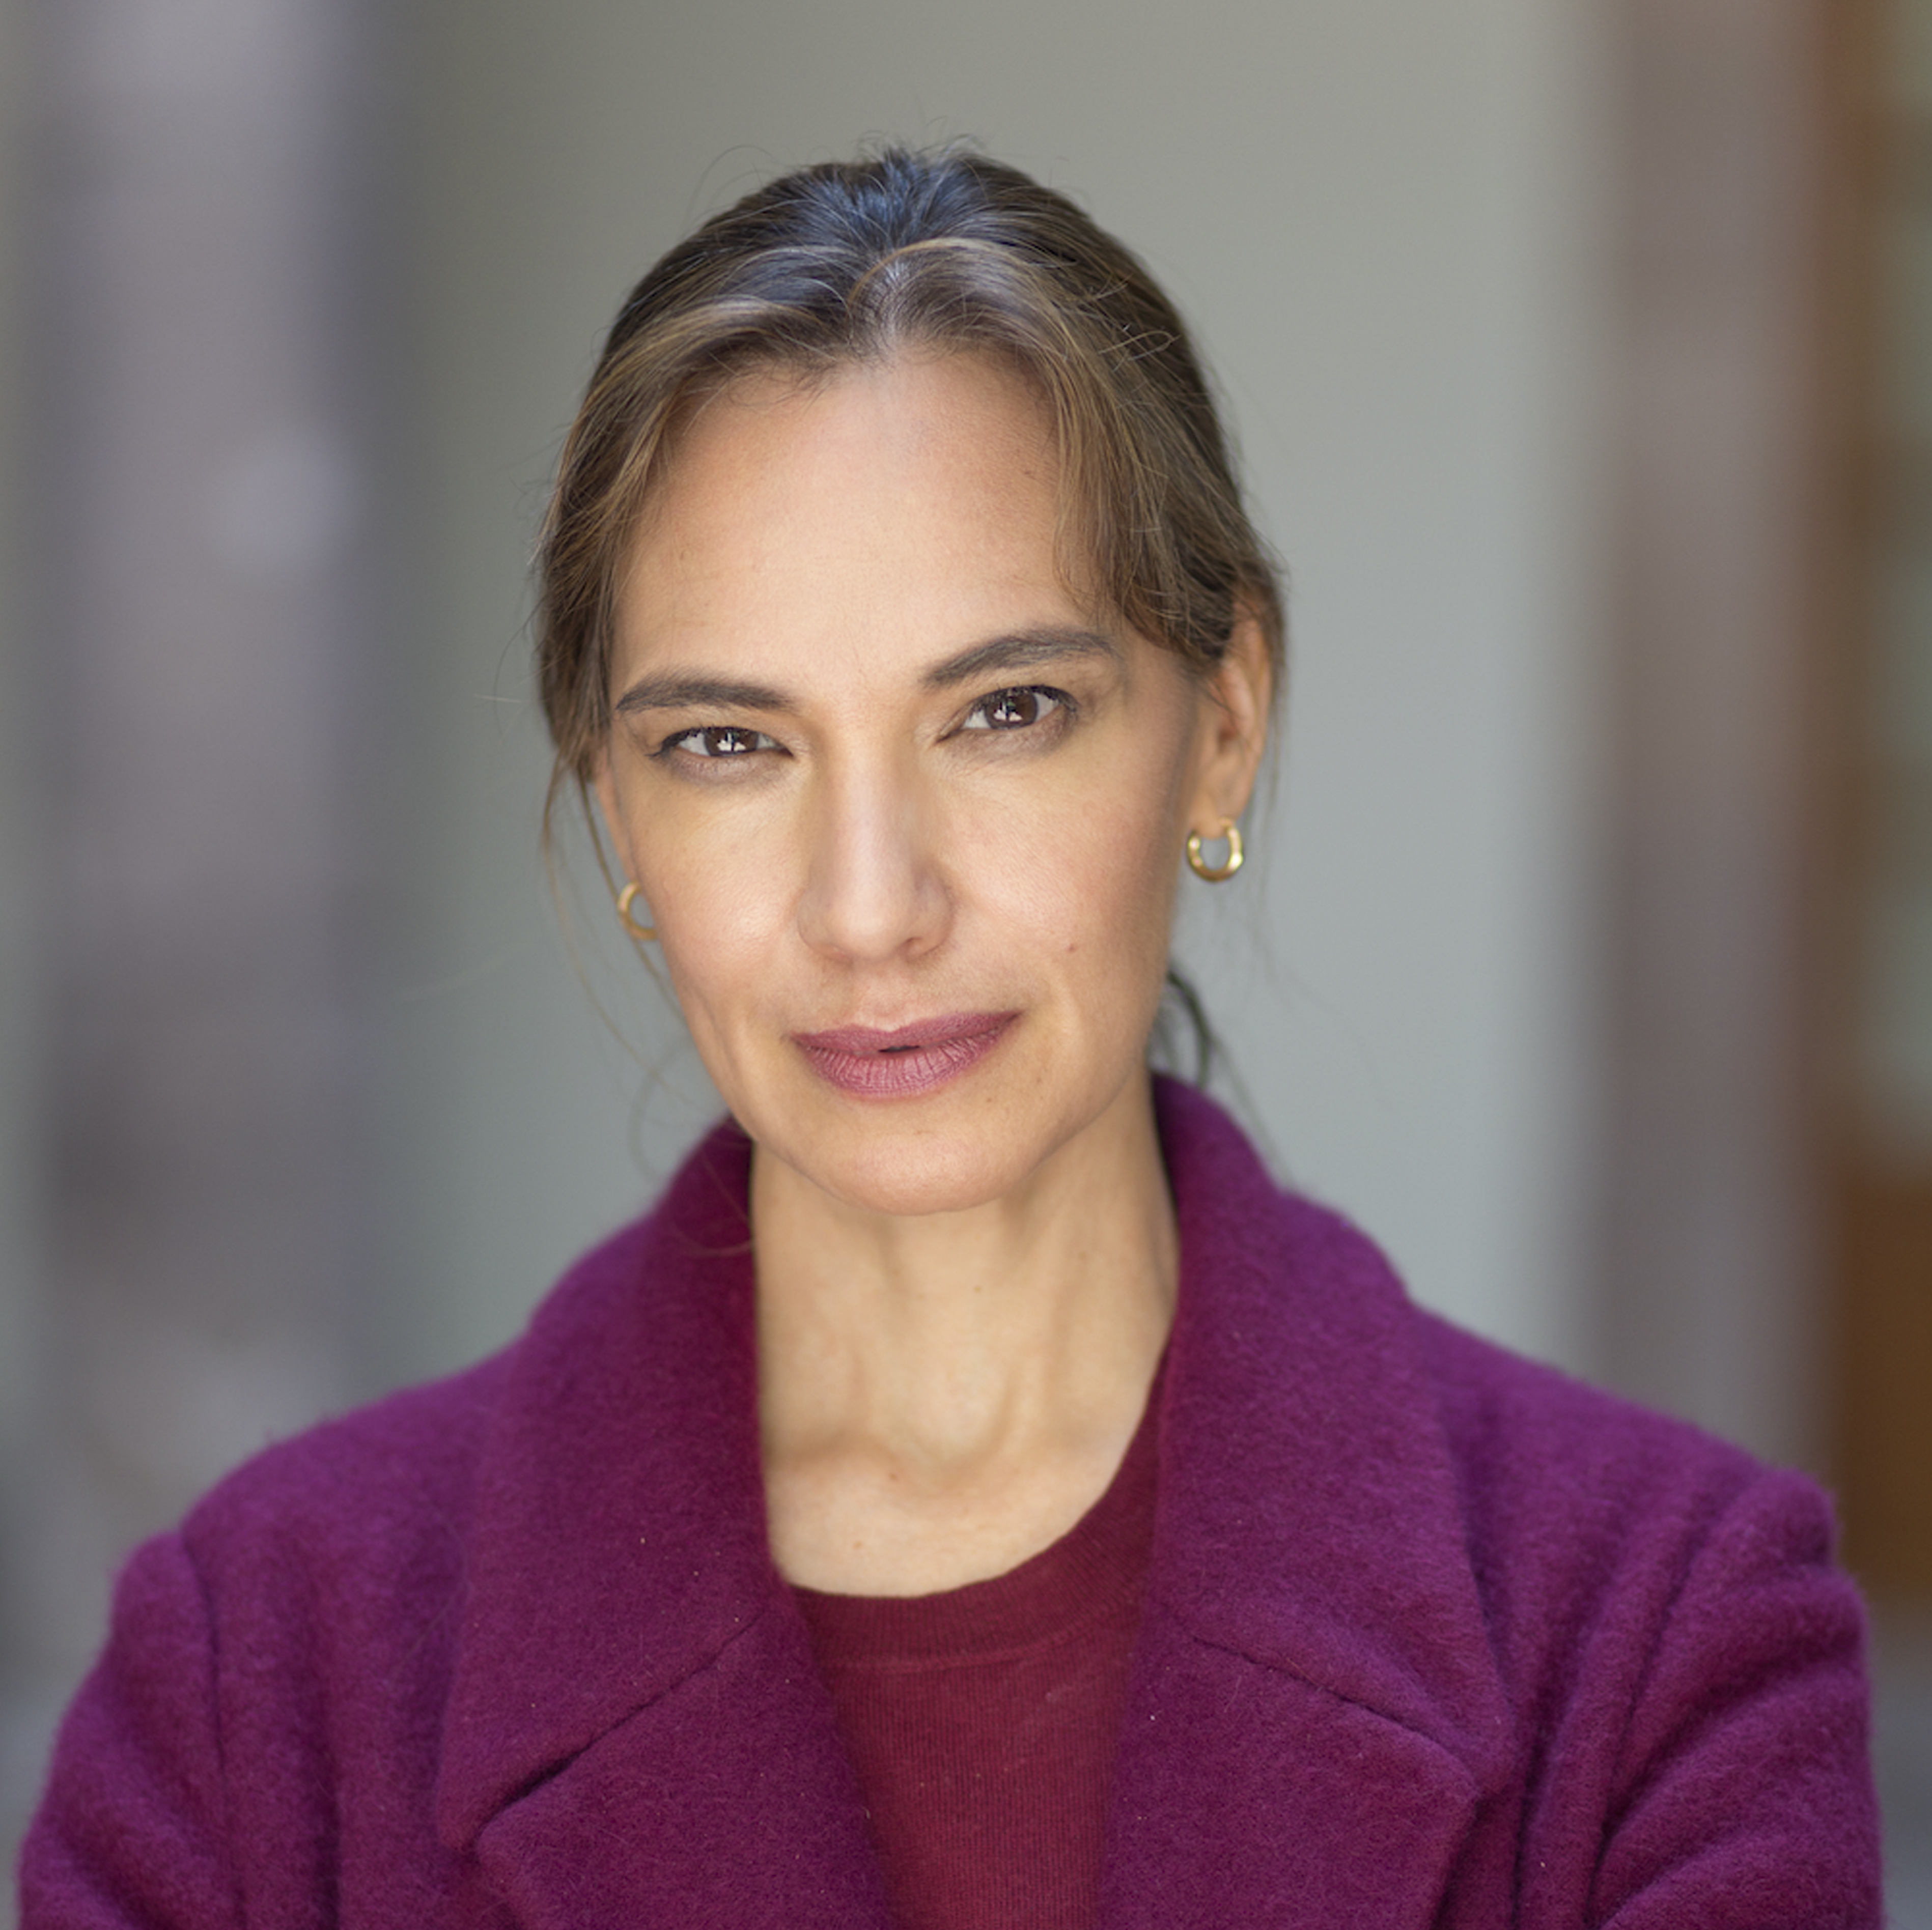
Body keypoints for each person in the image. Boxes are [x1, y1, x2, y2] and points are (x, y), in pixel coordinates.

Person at [21, 147, 1881, 1929]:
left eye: (1002, 712)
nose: (868, 906)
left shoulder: (1663, 1639)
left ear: (1223, 721)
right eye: (728, 744)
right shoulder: (263, 1673)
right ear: (614, 806)